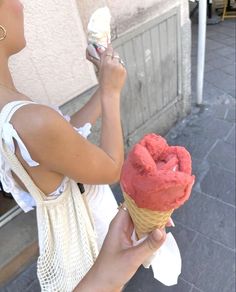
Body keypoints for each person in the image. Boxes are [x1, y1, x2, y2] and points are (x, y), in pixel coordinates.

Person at [0, 1, 167, 291]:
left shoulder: (14, 109)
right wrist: (112, 95)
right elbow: (111, 168)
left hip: (67, 234)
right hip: (89, 232)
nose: (21, 4)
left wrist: (105, 85)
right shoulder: (31, 120)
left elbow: (63, 139)